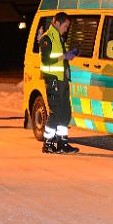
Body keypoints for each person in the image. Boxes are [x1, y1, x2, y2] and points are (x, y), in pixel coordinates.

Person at [39, 12, 80, 154]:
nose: (66, 29)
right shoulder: (47, 38)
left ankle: (62, 143)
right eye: (66, 26)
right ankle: (48, 143)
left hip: (61, 80)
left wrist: (70, 55)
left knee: (65, 112)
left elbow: (59, 58)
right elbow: (46, 61)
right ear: (57, 23)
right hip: (53, 81)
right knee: (56, 112)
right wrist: (64, 56)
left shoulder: (58, 38)